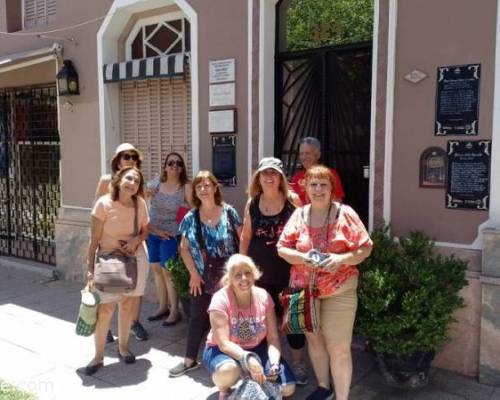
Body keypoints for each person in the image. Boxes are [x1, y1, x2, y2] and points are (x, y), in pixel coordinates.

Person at [277, 165, 372, 400]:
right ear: (305, 188)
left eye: (323, 184)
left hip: (339, 289)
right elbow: (281, 248)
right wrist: (302, 258)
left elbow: (365, 247)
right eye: (313, 184)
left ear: (332, 188)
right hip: (304, 289)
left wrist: (341, 259)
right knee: (315, 341)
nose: (318, 189)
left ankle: (341, 397)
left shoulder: (345, 213)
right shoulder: (299, 214)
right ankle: (323, 386)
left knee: (339, 347)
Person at [239, 157, 308, 385]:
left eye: (274, 173)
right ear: (258, 177)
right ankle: (254, 360)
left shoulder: (293, 201)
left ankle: (298, 364)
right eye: (264, 173)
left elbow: (304, 235)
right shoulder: (252, 202)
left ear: (280, 177)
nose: (269, 177)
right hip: (259, 274)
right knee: (255, 317)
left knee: (293, 321)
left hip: (290, 273)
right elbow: (246, 236)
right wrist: (241, 267)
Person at [169, 170, 242, 378]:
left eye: (207, 185)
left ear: (215, 187)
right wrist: (193, 274)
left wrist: (242, 273)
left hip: (229, 277)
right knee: (197, 317)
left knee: (232, 316)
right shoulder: (190, 218)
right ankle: (189, 359)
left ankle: (236, 358)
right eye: (199, 186)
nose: (203, 189)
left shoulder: (229, 212)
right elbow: (183, 248)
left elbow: (243, 240)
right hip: (201, 275)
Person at [84, 166, 150, 375]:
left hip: (133, 260)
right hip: (108, 262)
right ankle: (98, 356)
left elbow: (145, 230)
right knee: (105, 310)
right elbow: (93, 241)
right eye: (129, 178)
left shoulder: (139, 204)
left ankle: (123, 347)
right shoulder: (103, 204)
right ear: (119, 179)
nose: (132, 183)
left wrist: (136, 240)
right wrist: (89, 270)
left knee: (128, 306)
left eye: (137, 181)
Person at [202, 254, 296, 400]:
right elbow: (223, 343)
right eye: (237, 275)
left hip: (257, 346)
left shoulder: (264, 296)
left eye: (247, 273)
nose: (244, 278)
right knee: (228, 370)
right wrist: (248, 359)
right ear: (229, 279)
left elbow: (272, 338)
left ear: (254, 274)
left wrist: (274, 364)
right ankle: (224, 388)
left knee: (288, 388)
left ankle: (251, 381)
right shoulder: (220, 299)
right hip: (222, 350)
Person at [94, 143, 149, 342]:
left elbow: (143, 218)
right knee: (109, 285)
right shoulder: (106, 180)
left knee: (135, 288)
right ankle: (106, 327)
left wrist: (136, 240)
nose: (131, 160)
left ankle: (133, 323)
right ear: (117, 160)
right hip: (110, 246)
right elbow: (98, 213)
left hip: (134, 246)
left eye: (134, 157)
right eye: (126, 156)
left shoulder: (138, 183)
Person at [146, 152, 192, 326]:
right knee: (157, 269)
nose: (174, 166)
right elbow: (142, 197)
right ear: (165, 166)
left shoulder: (184, 187)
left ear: (182, 168)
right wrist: (146, 192)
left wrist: (186, 236)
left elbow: (193, 210)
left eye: (178, 163)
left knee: (168, 271)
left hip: (170, 234)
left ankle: (174, 311)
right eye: (171, 163)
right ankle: (162, 307)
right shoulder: (156, 182)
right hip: (153, 231)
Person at [290, 137, 344, 205]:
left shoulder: (330, 174)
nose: (303, 157)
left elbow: (337, 202)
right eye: (301, 154)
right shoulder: (296, 177)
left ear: (318, 155)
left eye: (307, 153)